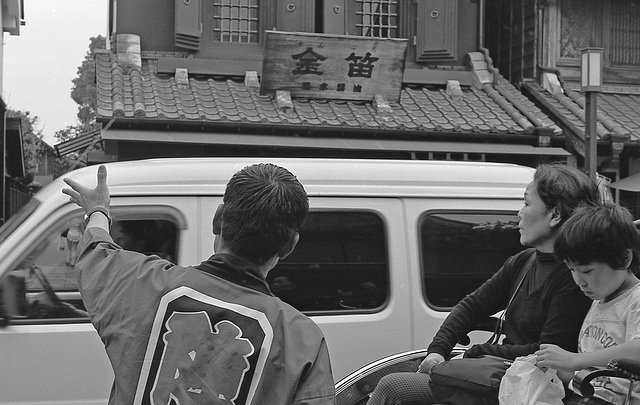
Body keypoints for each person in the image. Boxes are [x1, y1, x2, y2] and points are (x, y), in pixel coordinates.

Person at [62, 164, 336, 405]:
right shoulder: (302, 341)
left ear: (218, 219)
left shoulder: (142, 283)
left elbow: (97, 254)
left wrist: (98, 210)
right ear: (289, 246)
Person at [367, 163, 598, 405]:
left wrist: (477, 353)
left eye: (527, 203)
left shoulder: (573, 276)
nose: (519, 213)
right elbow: (472, 305)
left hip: (523, 386)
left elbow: (548, 351)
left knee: (394, 388)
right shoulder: (523, 262)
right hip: (501, 377)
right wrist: (438, 350)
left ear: (555, 215)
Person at [536, 204, 640, 405]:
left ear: (624, 258)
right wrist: (554, 369)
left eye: (587, 271)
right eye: (572, 270)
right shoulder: (600, 301)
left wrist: (573, 360)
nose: (579, 281)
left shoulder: (635, 299)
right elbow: (592, 376)